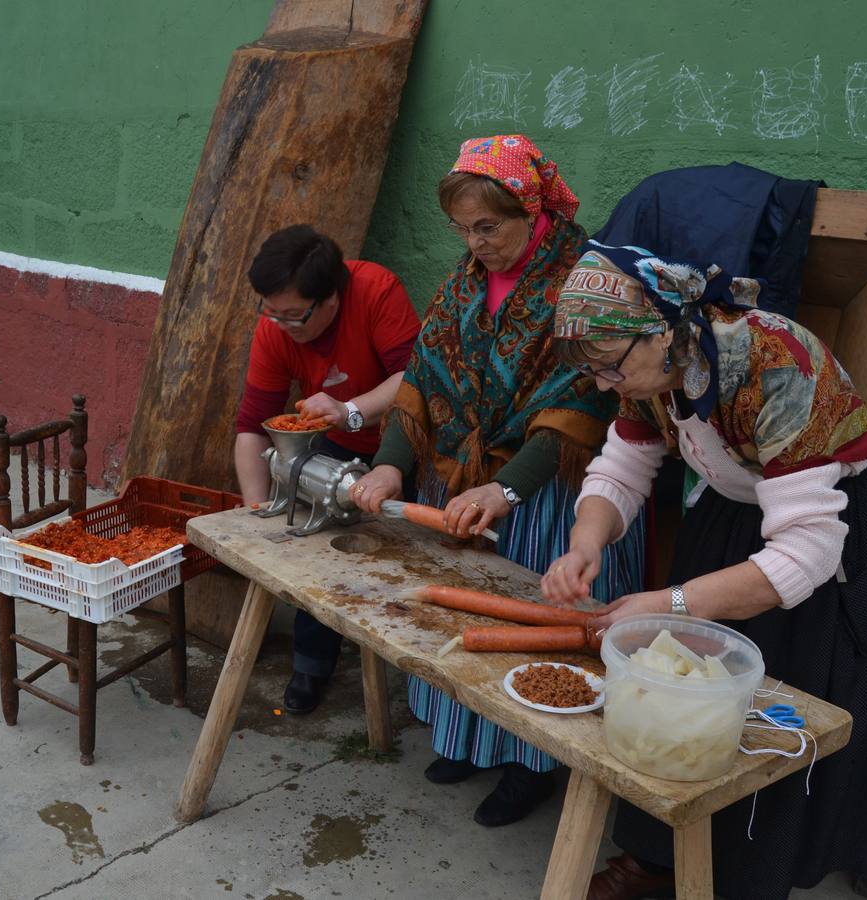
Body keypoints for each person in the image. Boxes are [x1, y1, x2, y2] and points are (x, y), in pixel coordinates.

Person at [542, 242, 867, 899]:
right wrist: (585, 540)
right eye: (593, 373)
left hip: (827, 533)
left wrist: (676, 602)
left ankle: (746, 875)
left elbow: (804, 555)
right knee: (683, 694)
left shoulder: (775, 366)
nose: (604, 385)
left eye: (607, 367)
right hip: (734, 513)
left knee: (770, 712)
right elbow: (624, 465)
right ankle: (658, 856)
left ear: (662, 331)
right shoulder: (651, 367)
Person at [350, 136, 643, 827]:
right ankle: (470, 739)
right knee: (462, 617)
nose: (476, 243)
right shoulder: (462, 284)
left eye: (490, 227)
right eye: (463, 229)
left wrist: (506, 489)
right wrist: (393, 460)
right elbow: (424, 376)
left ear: (531, 210)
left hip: (542, 493)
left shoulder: (582, 281)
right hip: (457, 481)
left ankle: (532, 763)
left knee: (534, 628)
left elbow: (583, 404)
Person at [233, 224, 420, 714]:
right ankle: (311, 667)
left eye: (293, 316)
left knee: (405, 558)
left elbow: (415, 379)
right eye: (271, 312)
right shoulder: (274, 326)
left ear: (333, 298)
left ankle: (415, 685)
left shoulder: (377, 290)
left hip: (404, 440)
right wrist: (258, 509)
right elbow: (253, 426)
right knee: (315, 549)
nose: (280, 324)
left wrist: (352, 409)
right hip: (334, 446)